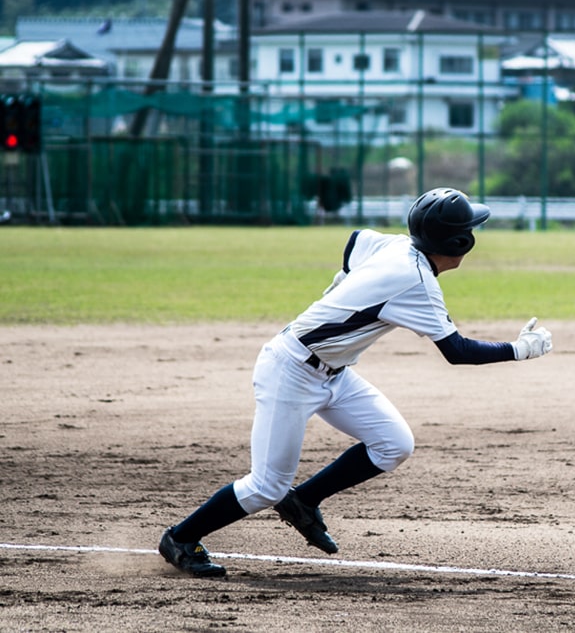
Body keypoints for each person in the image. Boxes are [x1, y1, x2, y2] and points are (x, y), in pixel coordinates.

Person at [157, 188, 554, 577]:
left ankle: (304, 501)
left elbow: (356, 241)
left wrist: (343, 281)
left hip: (334, 372)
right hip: (290, 373)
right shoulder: (417, 282)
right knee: (266, 486)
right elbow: (458, 351)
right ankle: (181, 538)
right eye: (470, 230)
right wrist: (520, 349)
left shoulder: (396, 246)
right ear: (458, 241)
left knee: (394, 444)